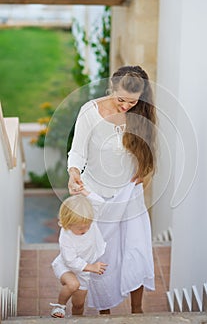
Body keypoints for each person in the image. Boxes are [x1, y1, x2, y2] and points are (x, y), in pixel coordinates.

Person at [67, 65, 157, 314]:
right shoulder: (90, 112)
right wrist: (73, 173)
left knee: (136, 250)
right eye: (121, 99)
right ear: (111, 89)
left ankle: (137, 312)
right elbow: (77, 152)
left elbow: (148, 150)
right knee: (102, 256)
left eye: (133, 101)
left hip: (130, 193)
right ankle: (105, 313)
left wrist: (146, 171)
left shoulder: (142, 112)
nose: (127, 106)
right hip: (97, 195)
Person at [50, 190, 107, 318]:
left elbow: (100, 203)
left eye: (88, 225)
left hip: (83, 271)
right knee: (73, 284)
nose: (86, 230)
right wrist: (91, 267)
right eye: (81, 228)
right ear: (67, 223)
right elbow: (70, 260)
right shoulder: (66, 236)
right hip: (66, 266)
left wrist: (83, 191)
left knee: (79, 304)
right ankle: (60, 306)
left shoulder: (89, 220)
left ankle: (77, 319)